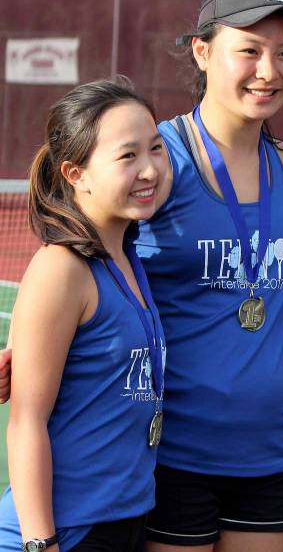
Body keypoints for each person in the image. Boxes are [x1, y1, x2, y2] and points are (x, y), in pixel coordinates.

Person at [134, 0, 283, 551]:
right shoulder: (160, 159)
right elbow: (78, 263)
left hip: (269, 455)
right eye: (249, 50)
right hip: (173, 454)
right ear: (203, 51)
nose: (269, 71)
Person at [0, 78, 169, 551]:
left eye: (156, 149)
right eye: (127, 156)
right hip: (66, 532)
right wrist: (42, 544)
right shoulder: (62, 268)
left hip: (125, 520)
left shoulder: (128, 257)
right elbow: (26, 423)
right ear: (76, 174)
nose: (150, 169)